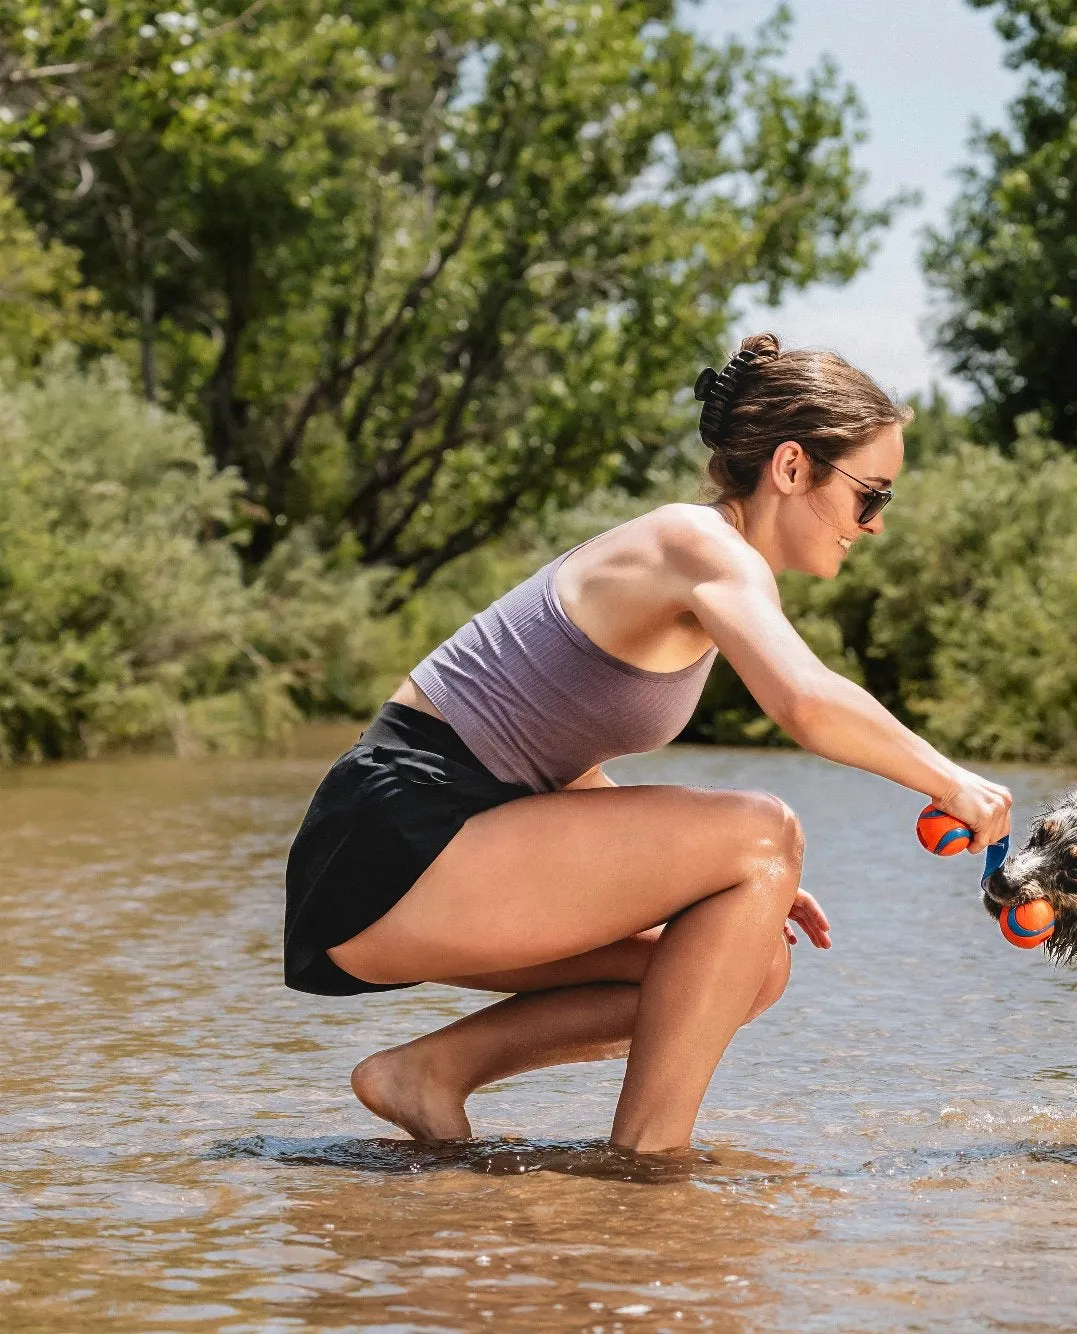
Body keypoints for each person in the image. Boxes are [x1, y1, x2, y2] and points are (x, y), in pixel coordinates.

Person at [282, 333, 1012, 1154]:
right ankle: (650, 1168)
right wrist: (952, 781)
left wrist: (701, 878)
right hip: (386, 849)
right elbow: (806, 703)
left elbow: (549, 757)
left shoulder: (705, 564)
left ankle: (430, 1074)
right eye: (869, 496)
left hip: (432, 850)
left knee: (750, 965)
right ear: (794, 467)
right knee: (768, 830)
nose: (874, 526)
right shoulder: (695, 546)